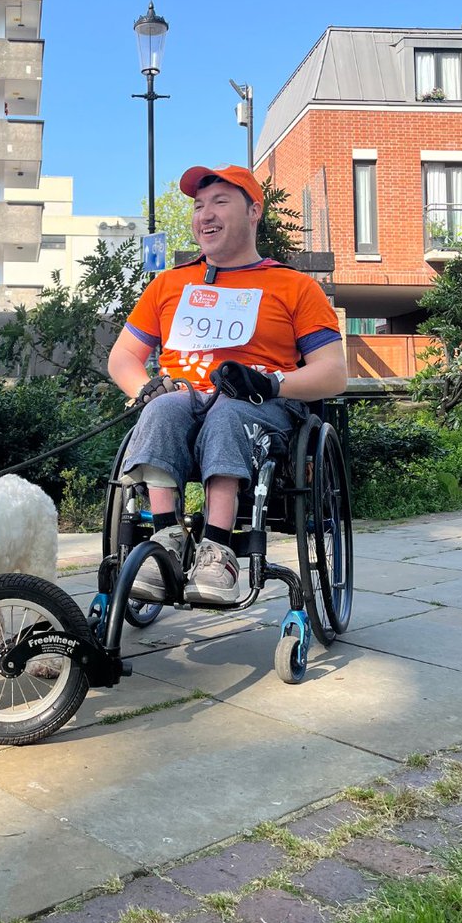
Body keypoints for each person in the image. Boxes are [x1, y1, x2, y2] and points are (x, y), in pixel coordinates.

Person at [107, 164, 347, 605]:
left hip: (258, 403)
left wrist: (271, 383)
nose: (205, 215)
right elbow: (122, 357)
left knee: (229, 412)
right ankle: (166, 542)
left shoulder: (293, 287)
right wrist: (146, 386)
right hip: (183, 397)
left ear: (254, 210)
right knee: (160, 408)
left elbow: (333, 371)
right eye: (199, 206)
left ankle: (218, 549)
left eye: (220, 202)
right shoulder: (169, 284)